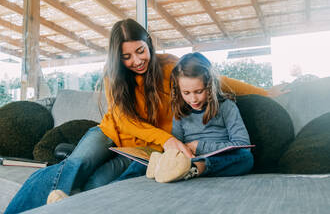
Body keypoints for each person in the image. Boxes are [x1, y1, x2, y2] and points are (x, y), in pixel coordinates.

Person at [5, 19, 276, 214]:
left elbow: (218, 81)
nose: (136, 60)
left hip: (141, 148)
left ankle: (70, 203)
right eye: (126, 56)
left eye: (140, 50)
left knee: (101, 181)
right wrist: (167, 140)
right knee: (79, 161)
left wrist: (267, 93)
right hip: (110, 132)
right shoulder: (114, 79)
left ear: (149, 45)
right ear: (117, 56)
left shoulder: (170, 66)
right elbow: (124, 121)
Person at [146, 52, 253, 183]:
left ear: (210, 85)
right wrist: (176, 151)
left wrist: (200, 147)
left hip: (220, 159)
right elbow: (177, 143)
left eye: (199, 91)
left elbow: (243, 145)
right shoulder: (180, 111)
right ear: (178, 90)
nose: (193, 99)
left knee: (246, 158)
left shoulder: (227, 107)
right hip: (189, 158)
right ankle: (163, 166)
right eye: (186, 93)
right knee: (143, 160)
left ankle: (196, 168)